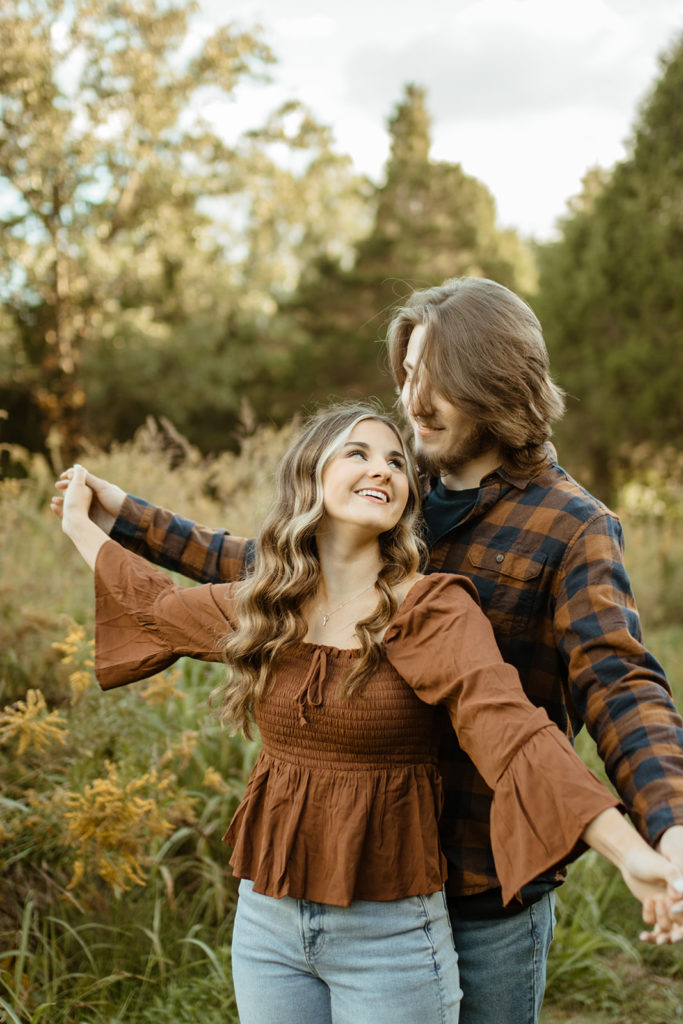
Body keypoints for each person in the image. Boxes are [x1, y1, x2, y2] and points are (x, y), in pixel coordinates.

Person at [53, 280, 683, 1024]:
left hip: (481, 882)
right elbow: (268, 573)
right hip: (348, 870)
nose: (412, 401)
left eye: (438, 380)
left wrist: (666, 823)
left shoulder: (572, 524)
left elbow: (616, 682)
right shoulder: (393, 485)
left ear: (498, 381)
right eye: (408, 374)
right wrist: (123, 513)